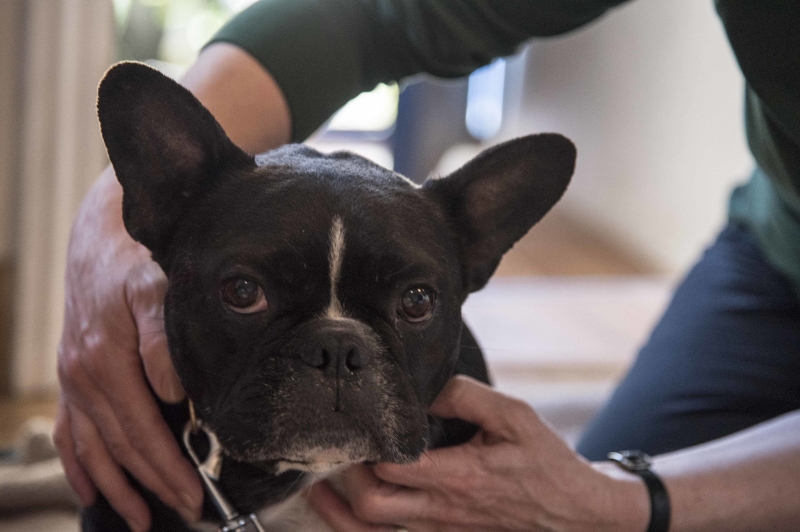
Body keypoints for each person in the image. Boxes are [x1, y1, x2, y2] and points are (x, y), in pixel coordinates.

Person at [54, 1, 800, 531]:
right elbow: (374, 14)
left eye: (412, 303)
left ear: (478, 252)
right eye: (246, 291)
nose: (334, 362)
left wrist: (636, 501)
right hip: (779, 245)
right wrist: (103, 222)